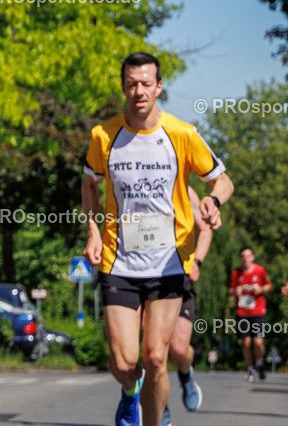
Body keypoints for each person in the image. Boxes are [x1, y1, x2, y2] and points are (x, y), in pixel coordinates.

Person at [81, 52, 232, 426]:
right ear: (123, 88)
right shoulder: (104, 135)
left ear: (159, 87)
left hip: (169, 262)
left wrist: (213, 201)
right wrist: (93, 229)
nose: (139, 91)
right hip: (119, 261)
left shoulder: (182, 134)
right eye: (132, 84)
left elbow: (222, 180)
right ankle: (130, 392)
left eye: (146, 83)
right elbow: (89, 182)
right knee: (123, 362)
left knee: (155, 357)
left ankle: (155, 419)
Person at [166, 186, 209, 412]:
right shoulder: (135, 179)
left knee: (179, 349)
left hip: (179, 278)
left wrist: (197, 261)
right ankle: (159, 407)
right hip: (143, 276)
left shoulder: (185, 190)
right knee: (153, 352)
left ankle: (186, 375)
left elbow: (206, 229)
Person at [229, 246, 271, 381]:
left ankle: (260, 363)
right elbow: (230, 291)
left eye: (248, 256)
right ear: (241, 258)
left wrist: (261, 289)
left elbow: (268, 285)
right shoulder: (236, 273)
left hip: (258, 311)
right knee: (246, 343)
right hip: (242, 312)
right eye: (243, 256)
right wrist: (236, 291)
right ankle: (250, 370)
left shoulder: (260, 270)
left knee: (258, 342)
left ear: (252, 257)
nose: (246, 259)